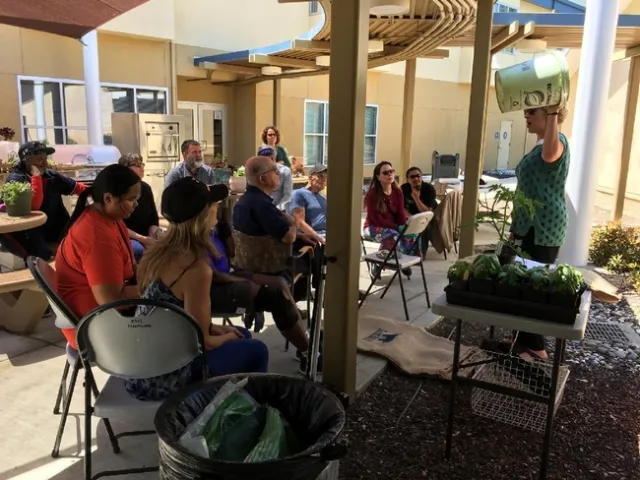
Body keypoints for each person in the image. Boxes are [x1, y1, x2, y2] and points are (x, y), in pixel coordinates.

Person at [126, 177, 269, 401]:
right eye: (212, 203)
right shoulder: (195, 267)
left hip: (138, 369)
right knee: (257, 349)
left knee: (243, 336)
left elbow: (179, 316)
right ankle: (241, 419)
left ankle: (228, 410)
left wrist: (215, 328)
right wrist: (223, 335)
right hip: (163, 377)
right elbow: (205, 343)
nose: (217, 207)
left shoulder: (157, 252)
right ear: (201, 215)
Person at [233, 155, 320, 373]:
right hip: (271, 269)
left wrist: (298, 235)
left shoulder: (244, 202)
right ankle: (308, 347)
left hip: (250, 265)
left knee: (307, 245)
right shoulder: (263, 205)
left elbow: (267, 233)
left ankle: (302, 329)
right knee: (316, 255)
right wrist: (294, 223)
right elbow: (287, 237)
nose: (279, 174)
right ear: (263, 178)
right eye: (275, 170)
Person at [507, 104, 571, 362]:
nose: (527, 116)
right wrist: (512, 230)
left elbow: (549, 156)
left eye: (533, 112)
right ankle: (519, 338)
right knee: (512, 272)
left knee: (532, 283)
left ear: (550, 115)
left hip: (543, 228)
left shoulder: (557, 143)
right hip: (523, 225)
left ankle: (536, 348)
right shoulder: (538, 145)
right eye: (526, 112)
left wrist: (554, 113)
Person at [56, 164, 142, 350]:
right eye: (131, 199)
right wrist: (157, 286)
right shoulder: (96, 236)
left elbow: (132, 268)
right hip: (95, 329)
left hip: (103, 317)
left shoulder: (110, 218)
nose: (136, 204)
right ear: (108, 198)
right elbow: (111, 300)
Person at [0, 141, 87, 260]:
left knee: (79, 241)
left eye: (45, 158)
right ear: (26, 159)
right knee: (41, 257)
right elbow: (34, 206)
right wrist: (36, 177)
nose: (45, 163)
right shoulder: (16, 179)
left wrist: (98, 194)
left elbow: (78, 188)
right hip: (24, 232)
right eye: (40, 159)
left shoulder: (50, 175)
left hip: (50, 228)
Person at [164, 139, 233, 257]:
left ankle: (226, 260)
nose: (198, 155)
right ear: (185, 155)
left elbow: (214, 198)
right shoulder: (175, 174)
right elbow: (169, 201)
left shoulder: (208, 172)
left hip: (205, 215)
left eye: (199, 152)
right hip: (185, 218)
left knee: (224, 227)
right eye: (194, 152)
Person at [363, 161, 416, 277]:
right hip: (372, 227)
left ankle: (399, 262)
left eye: (391, 171)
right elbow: (377, 220)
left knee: (410, 236)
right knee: (393, 235)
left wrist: (405, 228)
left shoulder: (398, 192)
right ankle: (379, 263)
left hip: (392, 228)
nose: (390, 175)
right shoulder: (372, 194)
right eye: (386, 173)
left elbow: (401, 215)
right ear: (378, 177)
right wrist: (398, 228)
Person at [118, 153, 160, 261]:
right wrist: (144, 240)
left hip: (145, 235)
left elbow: (153, 220)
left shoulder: (146, 189)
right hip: (126, 236)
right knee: (138, 250)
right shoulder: (118, 191)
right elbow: (117, 225)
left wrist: (155, 235)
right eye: (137, 164)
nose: (141, 167)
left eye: (142, 164)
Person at [401, 166, 437, 255]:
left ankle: (421, 253)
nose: (416, 179)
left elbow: (427, 212)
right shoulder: (404, 188)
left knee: (424, 226)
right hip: (411, 215)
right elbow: (401, 207)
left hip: (428, 216)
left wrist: (416, 198)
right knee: (401, 225)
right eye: (412, 177)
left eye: (418, 176)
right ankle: (405, 250)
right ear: (407, 180)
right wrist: (410, 217)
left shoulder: (429, 189)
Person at [290, 164, 327, 245]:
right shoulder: (299, 194)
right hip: (313, 238)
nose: (324, 179)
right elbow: (299, 222)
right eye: (320, 176)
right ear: (310, 178)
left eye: (325, 177)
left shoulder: (323, 198)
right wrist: (320, 239)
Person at [257, 146, 292, 210]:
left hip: (279, 210)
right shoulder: (256, 173)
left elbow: (288, 195)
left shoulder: (284, 171)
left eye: (271, 159)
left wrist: (276, 209)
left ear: (274, 159)